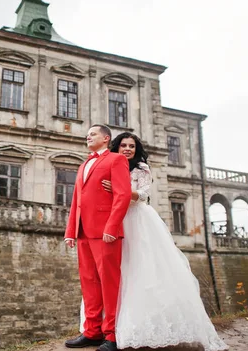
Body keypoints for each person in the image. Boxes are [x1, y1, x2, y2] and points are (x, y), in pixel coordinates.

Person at [87, 132, 228, 351]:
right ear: (115, 147)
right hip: (111, 218)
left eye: (131, 146)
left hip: (135, 219)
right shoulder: (107, 163)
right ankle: (108, 327)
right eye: (123, 145)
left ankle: (137, 327)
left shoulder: (141, 168)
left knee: (140, 270)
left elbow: (143, 195)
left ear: (136, 149)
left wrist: (123, 192)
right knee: (112, 273)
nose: (127, 149)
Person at [64, 125, 132, 351]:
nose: (88, 136)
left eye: (92, 134)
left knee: (109, 284)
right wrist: (71, 231)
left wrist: (112, 227)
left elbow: (122, 195)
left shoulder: (116, 160)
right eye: (87, 134)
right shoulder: (83, 164)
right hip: (83, 231)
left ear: (105, 138)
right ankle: (92, 331)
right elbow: (77, 200)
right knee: (89, 283)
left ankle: (111, 336)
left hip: (106, 233)